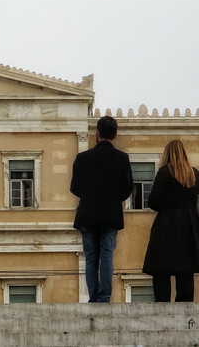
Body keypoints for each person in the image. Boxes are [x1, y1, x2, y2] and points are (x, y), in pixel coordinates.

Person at [70, 115, 133, 302]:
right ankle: (104, 297)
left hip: (87, 214)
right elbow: (127, 189)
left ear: (97, 134)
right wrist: (112, 199)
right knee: (107, 256)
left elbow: (74, 187)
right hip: (111, 215)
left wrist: (90, 197)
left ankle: (92, 297)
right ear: (114, 135)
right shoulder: (122, 159)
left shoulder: (82, 158)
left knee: (90, 258)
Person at [142, 140, 199, 302]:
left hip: (167, 225)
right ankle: (184, 309)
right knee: (186, 272)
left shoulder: (164, 173)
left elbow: (153, 201)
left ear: (167, 154)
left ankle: (162, 308)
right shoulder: (194, 174)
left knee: (161, 270)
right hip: (189, 226)